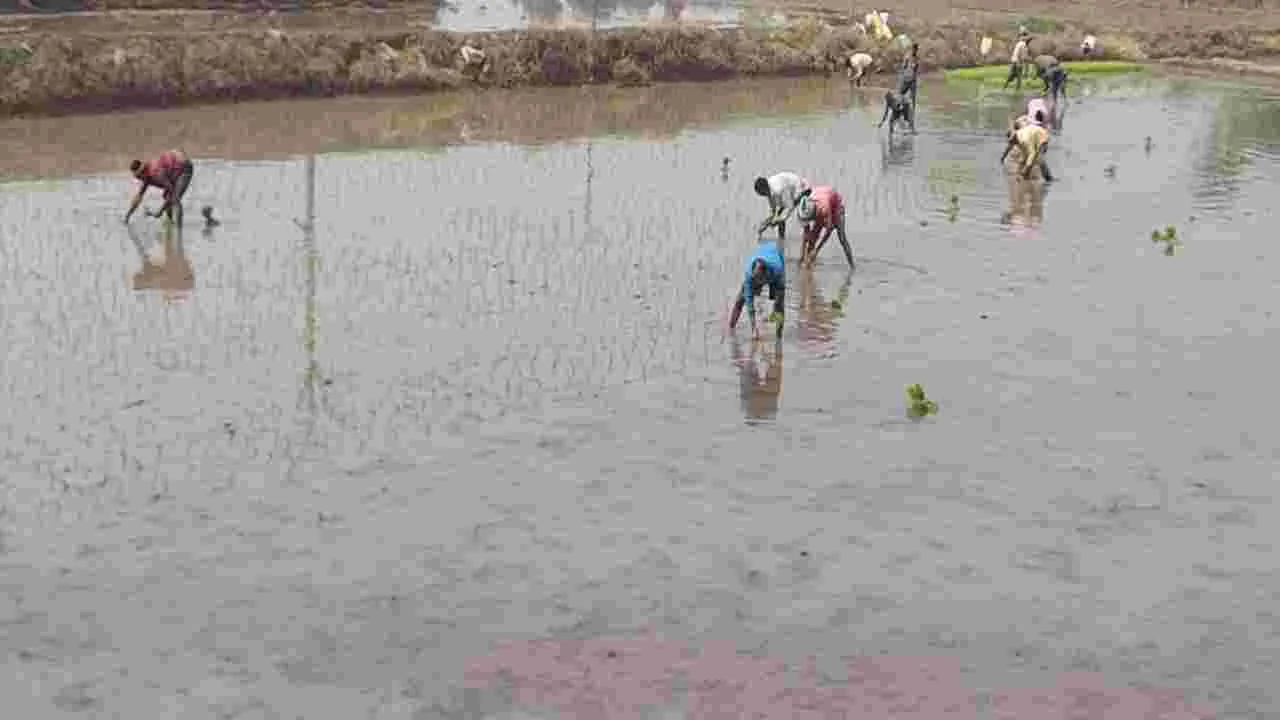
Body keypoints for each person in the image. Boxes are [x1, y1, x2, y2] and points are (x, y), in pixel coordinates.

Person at [728, 240, 786, 340]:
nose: (758, 283)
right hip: (762, 253)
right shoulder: (750, 276)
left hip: (775, 254)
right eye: (755, 279)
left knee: (779, 305)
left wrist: (776, 302)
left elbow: (780, 293)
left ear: (766, 274)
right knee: (740, 300)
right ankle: (731, 328)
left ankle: (779, 335)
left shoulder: (777, 270)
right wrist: (754, 328)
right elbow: (749, 303)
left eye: (760, 279)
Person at [124, 149, 194, 224]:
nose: (138, 179)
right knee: (166, 197)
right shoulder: (146, 175)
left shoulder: (156, 174)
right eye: (136, 177)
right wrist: (127, 216)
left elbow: (172, 192)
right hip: (174, 165)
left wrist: (159, 212)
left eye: (138, 176)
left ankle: (179, 231)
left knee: (175, 199)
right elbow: (138, 198)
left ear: (142, 173)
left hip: (184, 165)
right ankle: (171, 222)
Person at [796, 185, 853, 268]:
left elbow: (828, 231)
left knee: (842, 238)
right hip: (821, 201)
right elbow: (806, 235)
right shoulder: (803, 208)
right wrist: (801, 255)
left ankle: (852, 266)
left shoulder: (824, 208)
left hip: (836, 207)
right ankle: (809, 266)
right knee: (812, 239)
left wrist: (817, 250)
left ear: (813, 215)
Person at [754, 172, 811, 243]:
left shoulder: (779, 189)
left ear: (765, 188)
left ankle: (809, 239)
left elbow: (790, 206)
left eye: (763, 194)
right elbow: (772, 211)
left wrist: (777, 220)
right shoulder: (768, 188)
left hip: (802, 190)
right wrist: (765, 224)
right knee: (779, 217)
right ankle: (781, 242)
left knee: (801, 215)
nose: (764, 196)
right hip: (789, 192)